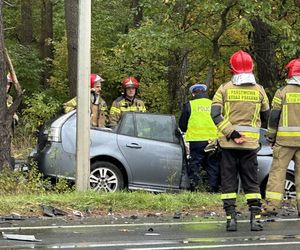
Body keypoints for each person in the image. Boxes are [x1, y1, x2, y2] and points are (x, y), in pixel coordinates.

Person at [211, 50, 270, 231]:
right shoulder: (259, 91)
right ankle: (256, 220)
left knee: (228, 183)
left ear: (232, 69)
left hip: (228, 145)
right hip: (251, 145)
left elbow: (214, 114)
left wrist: (232, 133)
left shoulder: (224, 89)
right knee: (251, 182)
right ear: (251, 68)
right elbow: (267, 116)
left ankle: (231, 220)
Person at [264, 58, 300, 216]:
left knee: (278, 173)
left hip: (284, 142)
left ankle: (272, 207)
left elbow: (273, 118)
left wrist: (271, 137)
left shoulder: (282, 92)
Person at [179, 83, 219, 192]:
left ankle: (195, 189)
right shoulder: (213, 104)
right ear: (204, 92)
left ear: (193, 94)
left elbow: (182, 126)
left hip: (196, 142)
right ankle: (212, 190)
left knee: (195, 165)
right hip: (213, 141)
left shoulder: (189, 105)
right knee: (212, 166)